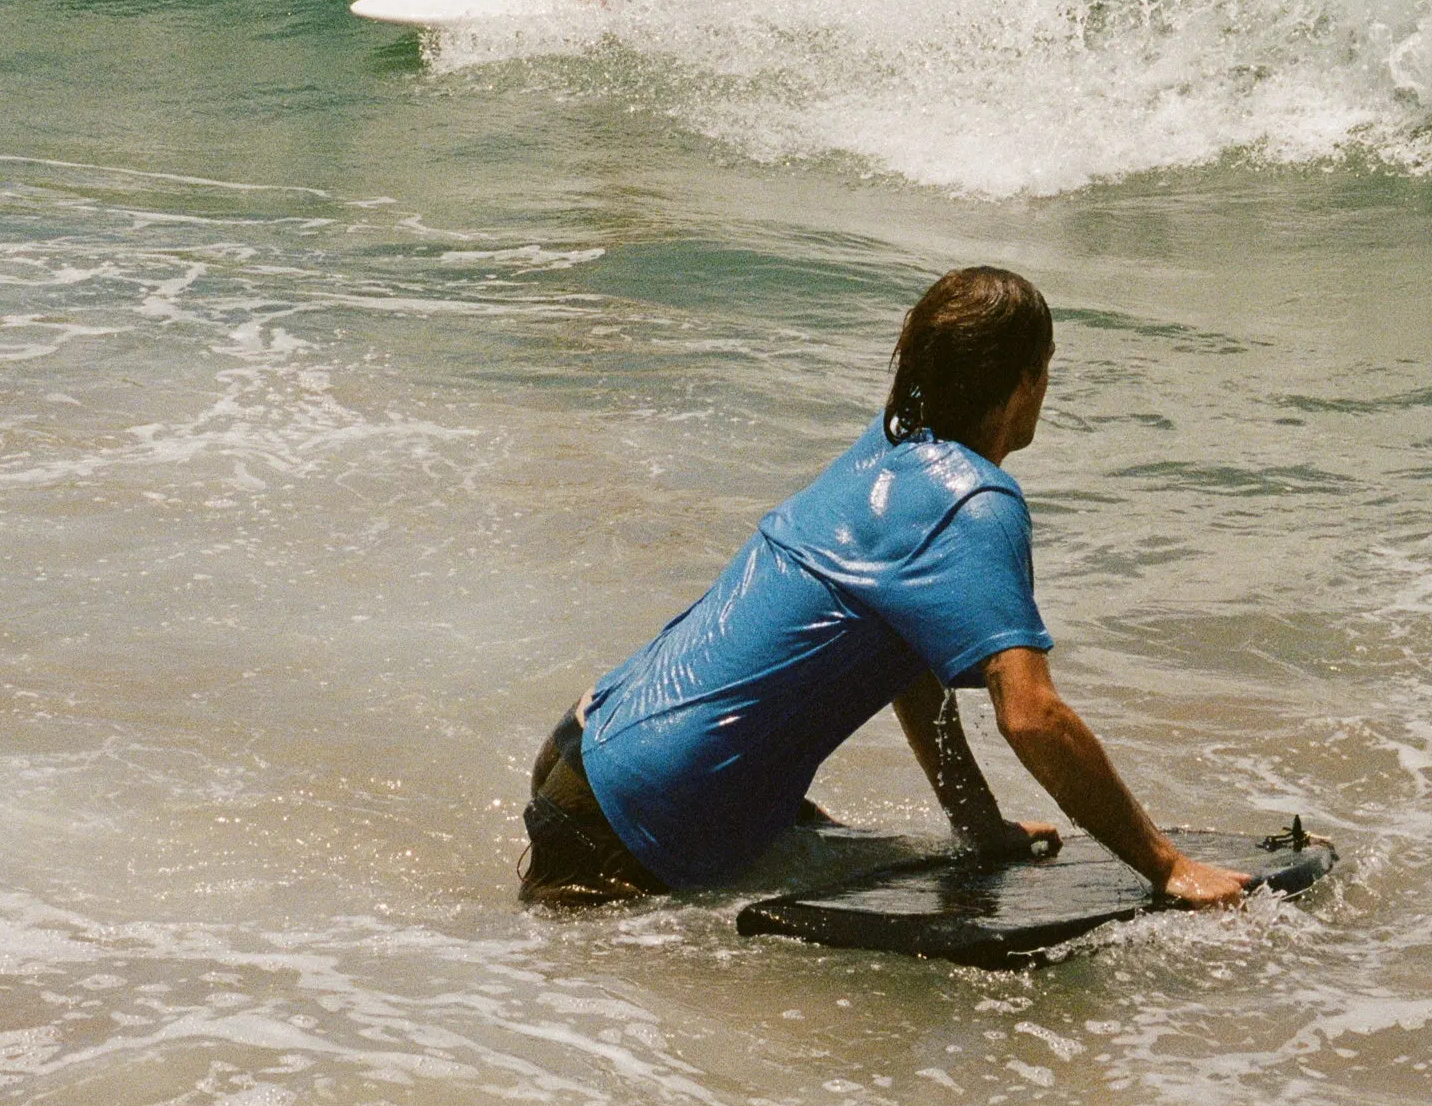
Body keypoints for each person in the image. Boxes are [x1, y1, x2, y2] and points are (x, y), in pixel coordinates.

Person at [521, 267, 1255, 911]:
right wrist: (1166, 867)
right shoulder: (971, 501)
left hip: (589, 746)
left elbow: (904, 652)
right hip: (637, 818)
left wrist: (977, 824)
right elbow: (1032, 717)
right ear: (1028, 380)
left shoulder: (883, 451)